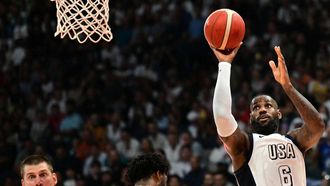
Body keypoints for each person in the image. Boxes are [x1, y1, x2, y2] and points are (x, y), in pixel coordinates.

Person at [211, 44, 325, 185]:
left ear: (279, 114)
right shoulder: (245, 146)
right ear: (251, 118)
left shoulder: (295, 141)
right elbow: (222, 116)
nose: (262, 109)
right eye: (256, 108)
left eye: (268, 106)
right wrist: (224, 65)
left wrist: (288, 87)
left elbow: (318, 126)